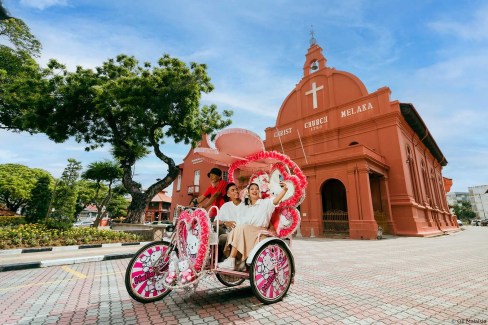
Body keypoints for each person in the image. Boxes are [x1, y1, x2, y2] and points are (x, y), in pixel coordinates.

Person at [218, 181, 288, 270]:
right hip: (249, 232)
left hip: (259, 231)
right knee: (237, 229)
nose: (254, 191)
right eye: (252, 189)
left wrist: (285, 190)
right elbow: (243, 222)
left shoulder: (265, 203)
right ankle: (235, 260)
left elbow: (276, 200)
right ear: (248, 192)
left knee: (241, 228)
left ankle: (231, 260)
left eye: (257, 189)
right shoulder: (247, 208)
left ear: (259, 191)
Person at [215, 182, 242, 261]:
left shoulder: (245, 205)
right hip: (227, 231)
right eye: (233, 190)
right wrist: (225, 222)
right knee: (214, 227)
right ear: (228, 194)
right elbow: (216, 221)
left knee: (222, 238)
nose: (236, 191)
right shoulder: (226, 206)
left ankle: (224, 260)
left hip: (239, 233)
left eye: (237, 189)